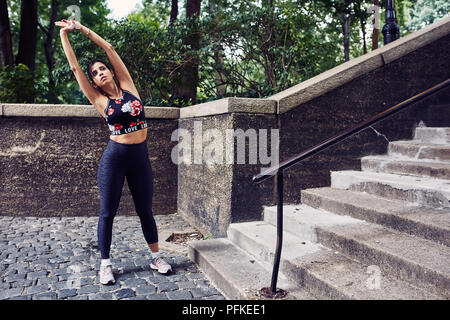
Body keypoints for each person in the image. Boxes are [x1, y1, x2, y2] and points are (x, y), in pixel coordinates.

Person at [55, 19, 172, 285]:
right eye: (95, 73)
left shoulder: (129, 86)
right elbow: (74, 68)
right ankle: (105, 264)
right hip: (115, 159)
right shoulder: (99, 100)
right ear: (94, 82)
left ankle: (156, 257)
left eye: (102, 69)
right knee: (108, 212)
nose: (100, 73)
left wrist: (82, 29)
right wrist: (65, 35)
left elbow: (108, 47)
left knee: (146, 211)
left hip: (140, 158)